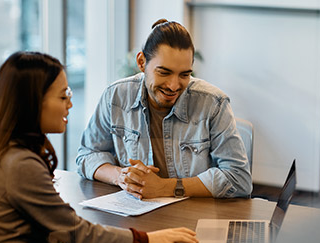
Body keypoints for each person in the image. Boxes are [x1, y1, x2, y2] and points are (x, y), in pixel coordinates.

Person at [0, 51, 198, 243]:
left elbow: (55, 217)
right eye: (63, 96)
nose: (70, 103)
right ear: (33, 103)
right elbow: (75, 228)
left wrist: (66, 235)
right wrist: (150, 240)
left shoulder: (4, 151)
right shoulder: (20, 164)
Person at [76, 19, 252, 199]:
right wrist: (121, 177)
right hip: (135, 215)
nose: (174, 86)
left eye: (184, 74)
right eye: (164, 72)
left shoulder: (213, 103)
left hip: (192, 216)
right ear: (141, 62)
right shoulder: (115, 97)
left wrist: (166, 187)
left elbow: (239, 179)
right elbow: (87, 155)